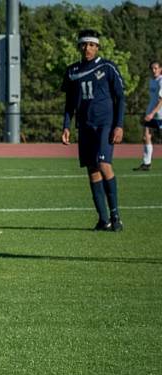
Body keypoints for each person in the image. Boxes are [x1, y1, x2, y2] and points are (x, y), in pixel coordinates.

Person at [61, 29, 126, 232]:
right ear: (79, 47)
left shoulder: (107, 67)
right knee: (92, 170)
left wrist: (119, 125)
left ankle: (116, 217)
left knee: (104, 164)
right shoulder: (72, 71)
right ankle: (103, 219)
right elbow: (69, 103)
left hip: (104, 124)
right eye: (84, 44)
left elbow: (120, 97)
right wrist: (66, 126)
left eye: (91, 45)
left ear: (97, 47)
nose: (87, 48)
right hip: (85, 126)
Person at [134, 60, 162, 171]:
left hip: (159, 114)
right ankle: (146, 163)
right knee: (146, 136)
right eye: (152, 68)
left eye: (156, 68)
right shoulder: (151, 81)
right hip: (152, 114)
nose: (154, 70)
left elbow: (161, 101)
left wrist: (152, 113)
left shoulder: (161, 81)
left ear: (160, 69)